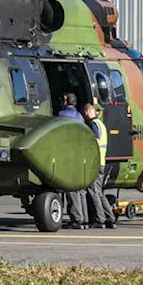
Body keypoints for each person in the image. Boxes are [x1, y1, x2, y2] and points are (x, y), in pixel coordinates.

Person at [82, 103, 117, 228]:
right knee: (99, 192)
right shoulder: (101, 124)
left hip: (95, 163)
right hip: (102, 162)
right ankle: (110, 217)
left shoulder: (93, 125)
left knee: (93, 191)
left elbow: (94, 142)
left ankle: (100, 219)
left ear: (87, 112)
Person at [58, 93, 88, 227]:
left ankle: (76, 218)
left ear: (66, 101)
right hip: (80, 155)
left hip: (69, 155)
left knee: (70, 187)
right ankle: (83, 218)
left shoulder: (62, 115)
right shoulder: (80, 117)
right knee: (80, 189)